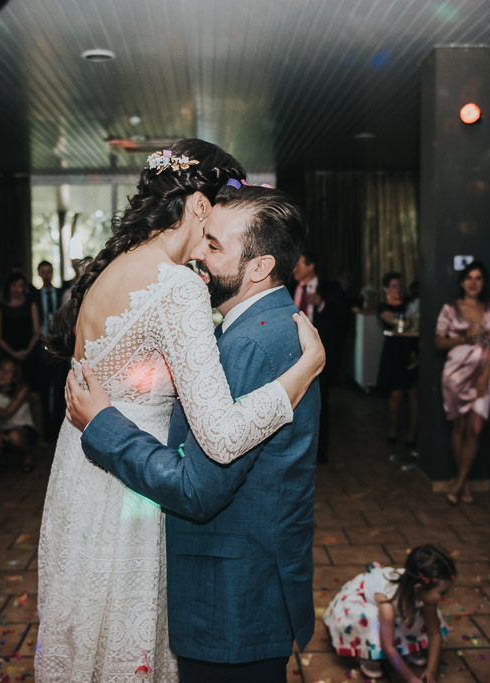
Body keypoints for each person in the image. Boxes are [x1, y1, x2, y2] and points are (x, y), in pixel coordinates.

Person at [34, 140, 323, 683]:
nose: (213, 238)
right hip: (133, 493)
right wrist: (303, 371)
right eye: (217, 216)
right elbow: (219, 434)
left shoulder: (115, 267)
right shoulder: (178, 288)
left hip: (82, 481)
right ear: (197, 205)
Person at [323, 545, 456, 682]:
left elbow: (434, 632)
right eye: (442, 593)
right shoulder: (388, 602)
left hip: (402, 605)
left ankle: (407, 646)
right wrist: (411, 679)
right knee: (371, 620)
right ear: (419, 588)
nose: (445, 597)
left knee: (419, 614)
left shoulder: (423, 593)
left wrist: (431, 671)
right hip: (366, 602)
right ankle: (367, 655)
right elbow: (389, 647)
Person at [434, 262, 490, 505]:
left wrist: (485, 375)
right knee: (459, 428)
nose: (474, 282)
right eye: (469, 278)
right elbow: (438, 342)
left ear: (484, 283)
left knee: (475, 430)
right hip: (456, 374)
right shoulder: (450, 309)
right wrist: (464, 337)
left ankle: (460, 482)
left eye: (479, 278)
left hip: (482, 375)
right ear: (462, 281)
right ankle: (463, 484)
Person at [291, 251, 348, 463]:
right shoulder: (289, 289)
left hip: (319, 355)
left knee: (319, 403)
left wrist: (322, 304)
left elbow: (344, 319)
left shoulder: (330, 288)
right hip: (292, 355)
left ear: (311, 266)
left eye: (298, 265)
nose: (294, 269)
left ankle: (319, 451)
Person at [0, 271, 43, 435]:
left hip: (29, 354)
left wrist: (26, 351)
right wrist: (13, 354)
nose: (17, 288)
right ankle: (5, 433)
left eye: (21, 285)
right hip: (8, 356)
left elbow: (37, 332)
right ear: (8, 287)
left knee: (35, 397)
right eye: (14, 285)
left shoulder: (31, 304)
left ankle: (39, 435)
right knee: (7, 394)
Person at [377, 272, 418, 448]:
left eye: (399, 286)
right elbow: (396, 321)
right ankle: (393, 428)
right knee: (396, 394)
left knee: (414, 394)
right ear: (386, 288)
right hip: (394, 352)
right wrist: (406, 318)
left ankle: (412, 435)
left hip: (411, 351)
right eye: (393, 286)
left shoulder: (410, 303)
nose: (398, 290)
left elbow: (412, 322)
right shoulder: (382, 306)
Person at [33, 259, 68, 442]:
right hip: (42, 346)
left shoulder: (62, 293)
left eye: (49, 271)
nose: (46, 275)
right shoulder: (35, 296)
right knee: (44, 390)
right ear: (39, 274)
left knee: (60, 389)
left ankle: (57, 429)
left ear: (52, 272)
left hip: (59, 345)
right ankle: (45, 431)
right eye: (43, 272)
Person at [0, 358, 37, 472]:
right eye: (2, 370)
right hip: (1, 429)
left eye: (9, 372)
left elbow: (5, 414)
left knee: (15, 436)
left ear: (14, 376)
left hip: (23, 428)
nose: (4, 374)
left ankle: (28, 455)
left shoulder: (22, 389)